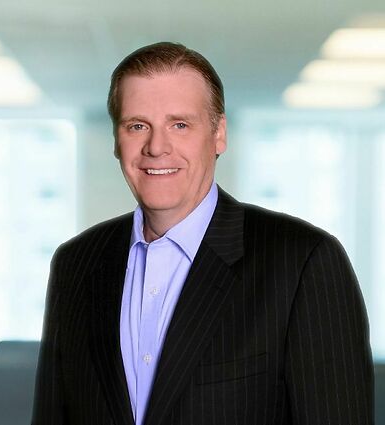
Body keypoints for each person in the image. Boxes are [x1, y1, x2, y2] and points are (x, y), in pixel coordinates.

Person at [32, 42, 374, 425]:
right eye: (137, 126)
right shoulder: (75, 264)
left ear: (219, 134)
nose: (156, 147)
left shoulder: (302, 263)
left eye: (179, 124)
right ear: (117, 139)